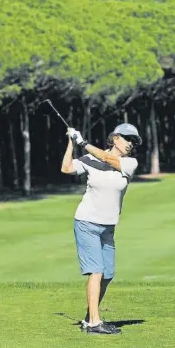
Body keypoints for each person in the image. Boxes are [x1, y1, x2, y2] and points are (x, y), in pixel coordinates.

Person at [61, 122, 141, 335]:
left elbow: (107, 159)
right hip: (86, 222)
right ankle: (95, 322)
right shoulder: (89, 159)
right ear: (115, 138)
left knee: (107, 274)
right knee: (96, 271)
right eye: (127, 139)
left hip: (108, 227)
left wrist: (84, 143)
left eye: (134, 141)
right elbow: (66, 168)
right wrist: (71, 143)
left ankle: (89, 318)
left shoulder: (129, 163)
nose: (131, 144)